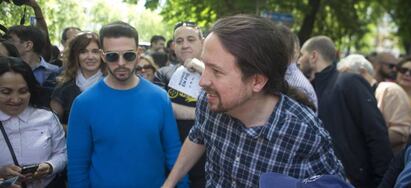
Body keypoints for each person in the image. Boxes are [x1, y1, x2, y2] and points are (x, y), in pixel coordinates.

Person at [162, 15, 344, 187]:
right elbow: (198, 135)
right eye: (205, 65)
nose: (202, 82)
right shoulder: (209, 101)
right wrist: (169, 184)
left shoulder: (304, 132)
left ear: (257, 81)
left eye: (216, 71)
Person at [67, 21, 187, 188]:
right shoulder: (84, 104)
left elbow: (173, 153)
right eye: (112, 56)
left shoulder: (159, 98)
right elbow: (77, 168)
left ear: (138, 54)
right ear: (103, 56)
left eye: (128, 55)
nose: (121, 63)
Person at [298, 36, 393, 187]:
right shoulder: (310, 90)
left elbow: (375, 131)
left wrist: (382, 182)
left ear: (313, 56)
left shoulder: (348, 82)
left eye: (301, 55)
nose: (299, 60)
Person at [154, 21, 206, 187]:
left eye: (191, 39)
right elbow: (159, 108)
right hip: (169, 160)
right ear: (173, 47)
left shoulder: (217, 72)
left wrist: (203, 68)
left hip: (207, 164)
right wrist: (210, 114)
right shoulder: (163, 73)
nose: (185, 45)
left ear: (202, 42)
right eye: (179, 41)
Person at [0, 56, 66, 188]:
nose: (16, 99)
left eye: (23, 91)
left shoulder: (47, 118)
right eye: (6, 92)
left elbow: (62, 153)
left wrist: (50, 166)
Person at [337, 54, 411, 154]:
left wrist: (361, 142)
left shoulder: (389, 90)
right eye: (403, 70)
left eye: (347, 77)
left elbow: (401, 132)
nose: (407, 74)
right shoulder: (358, 95)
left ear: (362, 72)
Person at [50, 32, 105, 128]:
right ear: (75, 55)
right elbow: (52, 124)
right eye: (83, 52)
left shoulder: (113, 84)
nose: (90, 57)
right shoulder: (63, 87)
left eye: (95, 51)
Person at [6, 25, 59, 106]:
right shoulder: (5, 70)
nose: (6, 44)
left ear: (28, 45)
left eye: (11, 40)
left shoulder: (55, 72)